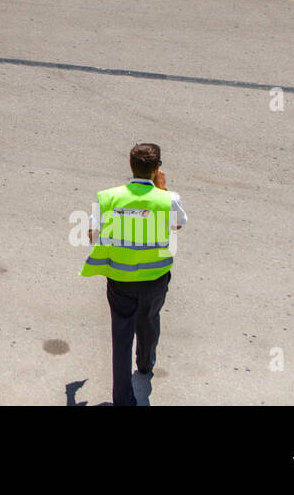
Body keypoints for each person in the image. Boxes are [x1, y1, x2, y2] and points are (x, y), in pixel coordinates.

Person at [81, 143, 188, 407]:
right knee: (149, 320)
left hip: (120, 280)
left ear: (131, 166)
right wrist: (162, 188)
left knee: (121, 336)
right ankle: (145, 362)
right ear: (156, 170)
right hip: (155, 279)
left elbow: (92, 236)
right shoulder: (167, 198)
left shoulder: (108, 198)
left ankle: (123, 400)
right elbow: (177, 225)